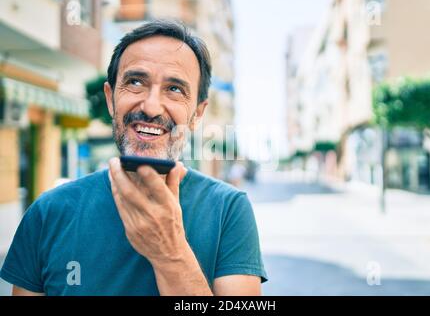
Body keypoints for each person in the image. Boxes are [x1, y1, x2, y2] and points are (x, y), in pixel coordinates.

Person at [0, 20, 267, 296]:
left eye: (175, 89)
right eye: (135, 82)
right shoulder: (48, 213)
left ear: (198, 113)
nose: (151, 107)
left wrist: (170, 252)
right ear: (110, 98)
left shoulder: (229, 211)